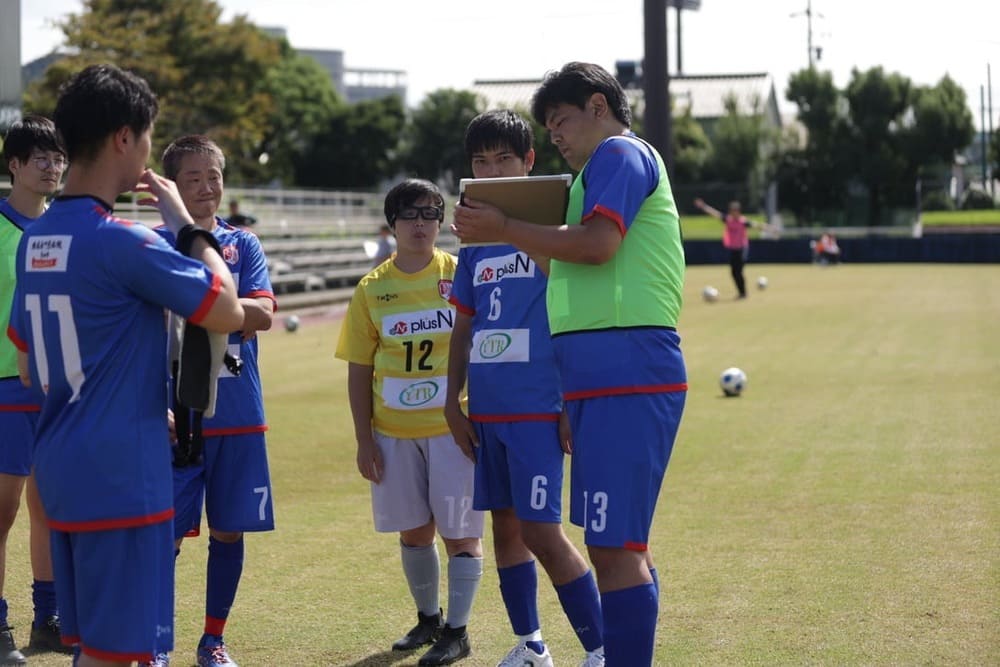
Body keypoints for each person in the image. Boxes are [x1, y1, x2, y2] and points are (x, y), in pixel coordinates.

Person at [6, 64, 245, 667]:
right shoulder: (122, 240)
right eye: (146, 137)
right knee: (122, 656)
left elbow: (31, 366)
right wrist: (187, 227)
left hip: (60, 465)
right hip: (120, 476)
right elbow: (225, 307)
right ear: (123, 139)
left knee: (95, 648)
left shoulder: (36, 240)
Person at [452, 62, 687, 666]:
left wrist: (507, 225)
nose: (554, 134)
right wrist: (509, 232)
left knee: (614, 548)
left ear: (597, 105)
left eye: (559, 120)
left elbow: (597, 244)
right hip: (601, 372)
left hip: (625, 366)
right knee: (618, 544)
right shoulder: (592, 176)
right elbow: (572, 266)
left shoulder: (619, 154)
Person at [445, 110, 604, 667]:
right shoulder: (472, 243)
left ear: (529, 162)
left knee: (543, 532)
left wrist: (566, 401)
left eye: (503, 160)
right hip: (487, 409)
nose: (490, 173)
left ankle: (603, 647)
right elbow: (464, 325)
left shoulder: (553, 228)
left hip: (539, 405)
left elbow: (570, 311)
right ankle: (531, 643)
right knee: (507, 530)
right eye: (480, 163)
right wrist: (451, 402)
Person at [336, 179, 484, 667]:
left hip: (451, 429)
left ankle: (458, 632)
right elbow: (360, 369)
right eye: (410, 215)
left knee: (461, 533)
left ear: (442, 222)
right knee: (414, 531)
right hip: (393, 433)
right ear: (393, 223)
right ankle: (429, 618)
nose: (420, 224)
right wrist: (364, 439)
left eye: (430, 214)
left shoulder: (461, 275)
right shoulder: (372, 289)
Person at [153, 135, 277, 667]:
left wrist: (211, 307)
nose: (206, 188)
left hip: (238, 414)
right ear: (172, 189)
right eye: (192, 179)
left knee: (229, 529)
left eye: (213, 177)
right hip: (173, 416)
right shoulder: (153, 245)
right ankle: (154, 643)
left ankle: (212, 640)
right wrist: (227, 307)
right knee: (165, 537)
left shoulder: (241, 244)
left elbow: (264, 313)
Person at [0, 115, 71, 664]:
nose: (52, 167)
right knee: (2, 511)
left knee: (50, 507)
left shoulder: (69, 229)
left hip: (59, 386)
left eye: (58, 158)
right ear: (15, 165)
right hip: (4, 386)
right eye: (40, 158)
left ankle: (47, 616)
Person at [693, 197, 765, 299]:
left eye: (735, 211)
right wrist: (703, 206)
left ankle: (743, 293)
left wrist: (771, 229)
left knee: (738, 271)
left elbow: (757, 225)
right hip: (733, 249)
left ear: (738, 211)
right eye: (732, 211)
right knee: (733, 272)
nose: (733, 213)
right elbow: (715, 213)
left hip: (742, 249)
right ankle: (742, 293)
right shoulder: (728, 220)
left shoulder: (743, 221)